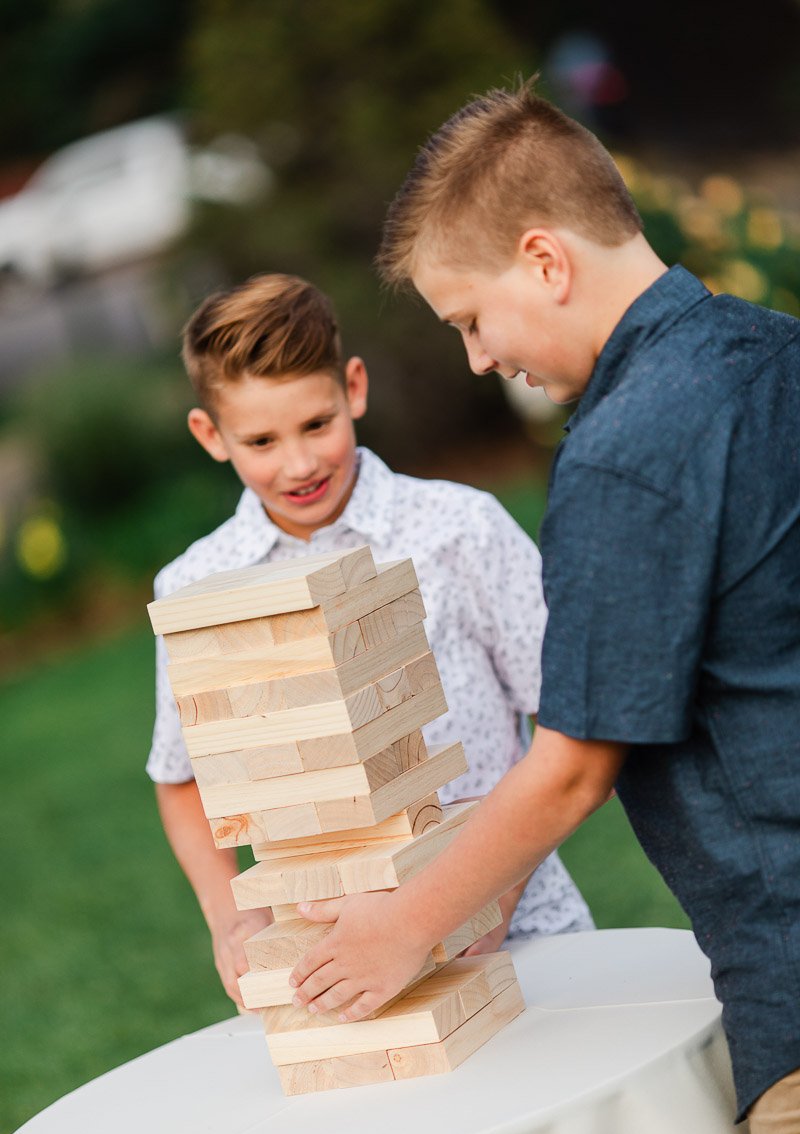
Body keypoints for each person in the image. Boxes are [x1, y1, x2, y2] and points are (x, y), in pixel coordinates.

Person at [287, 82, 800, 1134]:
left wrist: (402, 928)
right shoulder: (775, 351)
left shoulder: (624, 450)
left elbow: (570, 767)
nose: (475, 359)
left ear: (545, 260)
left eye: (469, 318)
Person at [146, 272, 593, 1008]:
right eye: (261, 440)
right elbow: (181, 776)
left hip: (520, 935)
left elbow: (569, 720)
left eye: (316, 425)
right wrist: (235, 920)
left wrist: (492, 898)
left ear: (353, 388)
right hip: (334, 970)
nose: (297, 463)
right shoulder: (195, 586)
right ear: (210, 435)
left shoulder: (460, 529)